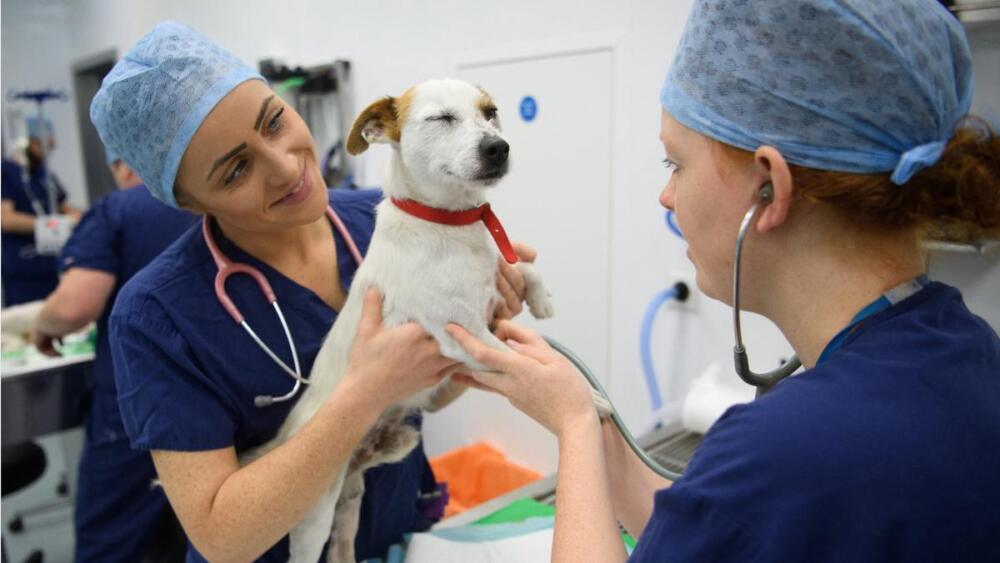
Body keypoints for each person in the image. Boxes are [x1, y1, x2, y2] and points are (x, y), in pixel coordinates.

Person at [448, 1, 1000, 561]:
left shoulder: (782, 451)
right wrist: (587, 412)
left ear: (769, 187)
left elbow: (746, 501)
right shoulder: (969, 349)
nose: (666, 196)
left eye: (675, 165)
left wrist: (572, 427)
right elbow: (715, 531)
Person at [91, 21, 534, 562]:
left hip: (397, 538)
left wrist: (478, 325)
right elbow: (221, 536)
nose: (285, 166)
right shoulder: (155, 317)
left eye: (274, 121)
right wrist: (362, 391)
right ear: (189, 201)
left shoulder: (390, 221)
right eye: (236, 170)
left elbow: (425, 392)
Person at [32, 150, 198, 562]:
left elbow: (74, 307)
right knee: (200, 535)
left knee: (111, 540)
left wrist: (42, 324)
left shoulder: (116, 211)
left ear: (124, 163)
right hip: (216, 403)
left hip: (135, 415)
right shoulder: (208, 202)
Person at [1, 122, 82, 306]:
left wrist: (93, 215)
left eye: (50, 147)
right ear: (28, 142)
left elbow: (63, 207)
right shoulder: (7, 172)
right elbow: (6, 219)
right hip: (22, 272)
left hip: (51, 267)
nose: (46, 152)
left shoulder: (44, 174)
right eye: (42, 146)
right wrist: (51, 225)